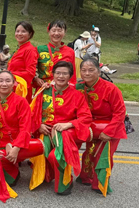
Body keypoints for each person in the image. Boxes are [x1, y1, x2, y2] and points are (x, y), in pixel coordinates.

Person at [31, 61, 92, 195]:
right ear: (52, 74)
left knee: (57, 157)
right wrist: (39, 125)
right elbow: (32, 112)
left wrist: (68, 124)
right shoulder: (43, 91)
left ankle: (65, 182)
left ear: (70, 76)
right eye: (58, 73)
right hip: (45, 131)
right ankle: (48, 176)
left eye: (65, 73)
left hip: (65, 133)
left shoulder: (77, 95)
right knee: (44, 153)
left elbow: (86, 117)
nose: (61, 76)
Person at [77, 58, 127, 196]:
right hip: (91, 127)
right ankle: (85, 177)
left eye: (91, 70)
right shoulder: (79, 87)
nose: (87, 73)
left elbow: (120, 112)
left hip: (111, 126)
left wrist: (110, 131)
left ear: (99, 72)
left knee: (103, 155)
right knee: (89, 152)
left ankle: (100, 184)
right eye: (84, 70)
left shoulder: (111, 89)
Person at [0, 71, 31, 187]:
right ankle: (9, 167)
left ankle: (13, 172)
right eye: (0, 81)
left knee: (7, 178)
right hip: (0, 142)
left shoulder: (21, 101)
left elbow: (25, 127)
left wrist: (16, 148)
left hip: (19, 142)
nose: (4, 84)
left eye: (8, 81)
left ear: (14, 83)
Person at [34, 20, 76, 87]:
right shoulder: (39, 49)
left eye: (59, 30)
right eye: (53, 30)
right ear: (49, 32)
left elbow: (72, 75)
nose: (56, 33)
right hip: (43, 88)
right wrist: (36, 78)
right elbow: (31, 68)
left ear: (65, 32)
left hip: (62, 89)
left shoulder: (70, 52)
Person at [7, 21, 38, 101]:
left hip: (21, 90)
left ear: (30, 34)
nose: (19, 34)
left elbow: (30, 73)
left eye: (23, 31)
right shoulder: (20, 48)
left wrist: (9, 74)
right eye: (17, 31)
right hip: (11, 86)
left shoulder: (30, 50)